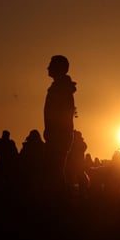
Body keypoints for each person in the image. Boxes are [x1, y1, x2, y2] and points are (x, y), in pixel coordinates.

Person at [43, 55, 78, 192]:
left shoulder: (61, 89)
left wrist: (53, 133)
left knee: (54, 173)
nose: (48, 67)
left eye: (51, 64)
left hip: (58, 137)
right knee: (54, 172)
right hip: (57, 136)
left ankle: (60, 204)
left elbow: (62, 114)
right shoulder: (60, 88)